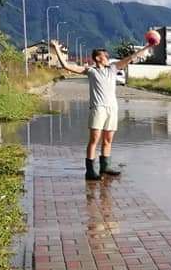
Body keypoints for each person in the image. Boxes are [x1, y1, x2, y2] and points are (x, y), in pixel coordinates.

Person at [50, 39, 153, 180]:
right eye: (106, 56)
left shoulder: (113, 68)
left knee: (108, 139)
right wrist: (56, 49)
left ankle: (105, 167)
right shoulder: (90, 71)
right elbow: (66, 66)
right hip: (98, 108)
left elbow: (131, 57)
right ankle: (90, 171)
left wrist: (148, 46)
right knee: (94, 139)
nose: (108, 58)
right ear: (98, 58)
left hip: (112, 108)